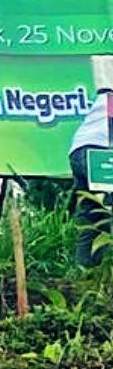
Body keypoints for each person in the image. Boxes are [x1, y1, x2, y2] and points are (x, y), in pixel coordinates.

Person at [69, 69, 113, 266]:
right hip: (100, 150)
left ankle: (85, 276)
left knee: (91, 217)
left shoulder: (107, 93)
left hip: (81, 149)